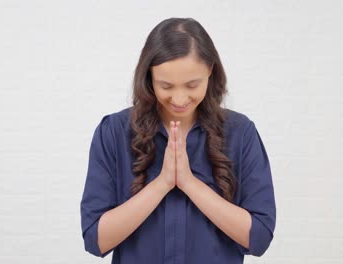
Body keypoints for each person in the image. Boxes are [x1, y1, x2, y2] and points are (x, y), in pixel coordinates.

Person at [80, 17, 276, 263]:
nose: (180, 99)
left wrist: (189, 183)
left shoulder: (240, 133)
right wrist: (162, 183)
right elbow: (95, 239)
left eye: (192, 85)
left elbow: (259, 237)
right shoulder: (114, 132)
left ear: (210, 71)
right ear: (149, 77)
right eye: (166, 86)